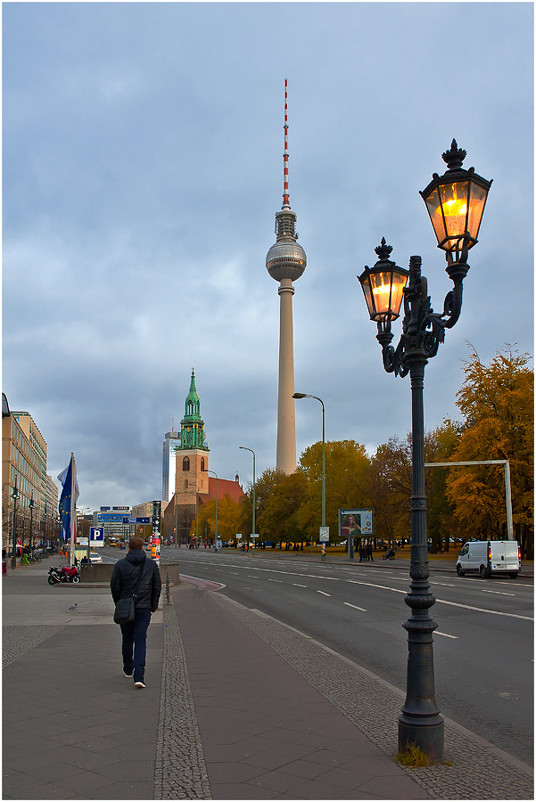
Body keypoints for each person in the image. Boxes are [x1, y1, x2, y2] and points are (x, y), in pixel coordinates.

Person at [110, 536, 161, 689]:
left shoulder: (120, 565)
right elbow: (156, 587)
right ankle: (139, 677)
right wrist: (152, 607)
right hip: (144, 609)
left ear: (128, 548)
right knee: (140, 641)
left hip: (125, 607)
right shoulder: (151, 565)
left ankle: (128, 668)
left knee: (126, 639)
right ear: (143, 548)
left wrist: (119, 603)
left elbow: (115, 587)